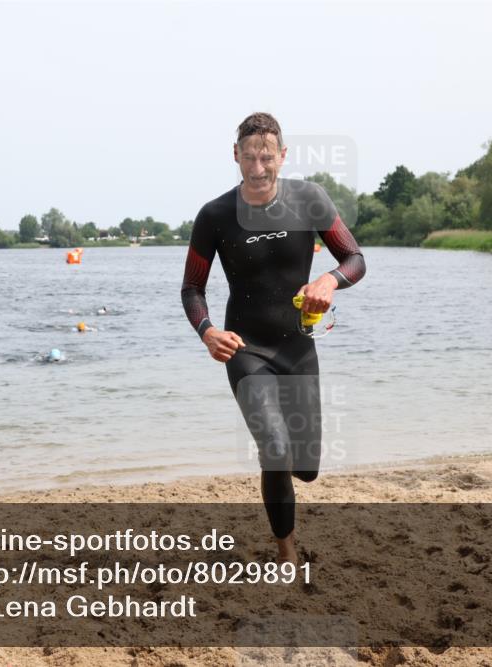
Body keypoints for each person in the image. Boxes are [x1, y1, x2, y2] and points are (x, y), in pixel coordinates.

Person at [181, 112, 366, 562]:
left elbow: (355, 258)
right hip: (244, 348)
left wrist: (329, 281)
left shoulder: (309, 199)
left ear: (282, 156)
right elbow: (192, 288)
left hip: (297, 347)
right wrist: (208, 332)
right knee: (276, 449)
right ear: (235, 156)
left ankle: (288, 490)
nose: (258, 168)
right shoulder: (215, 215)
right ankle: (287, 551)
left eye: (266, 158)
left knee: (306, 468)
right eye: (249, 158)